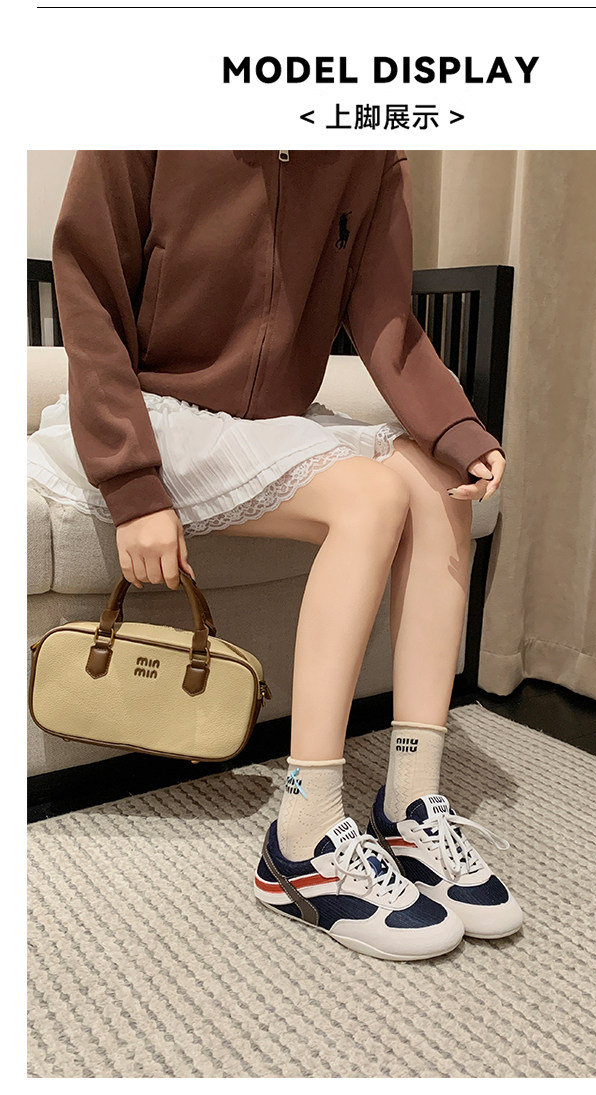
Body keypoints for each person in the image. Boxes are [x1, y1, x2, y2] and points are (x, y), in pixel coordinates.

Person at [28, 150, 523, 961]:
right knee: (371, 497)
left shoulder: (366, 147)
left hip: (270, 422)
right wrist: (133, 482)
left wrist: (457, 429)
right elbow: (88, 288)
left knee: (439, 486)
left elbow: (386, 317)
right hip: (155, 409)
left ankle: (409, 804)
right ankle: (304, 836)